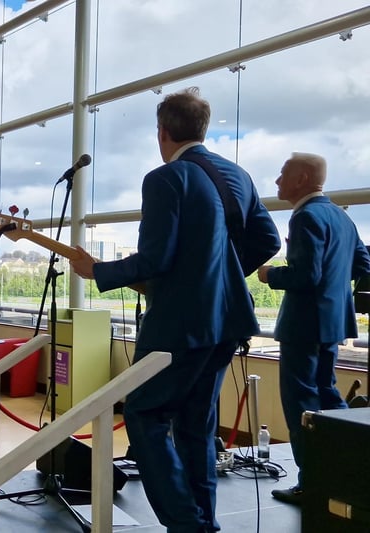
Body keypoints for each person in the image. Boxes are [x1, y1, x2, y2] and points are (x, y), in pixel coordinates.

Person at [68, 87, 280, 533]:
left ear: (162, 131)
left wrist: (97, 270)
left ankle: (187, 525)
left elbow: (156, 259)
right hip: (228, 322)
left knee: (144, 415)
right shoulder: (237, 175)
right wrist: (216, 274)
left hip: (181, 326)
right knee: (197, 426)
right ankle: (204, 522)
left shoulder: (166, 178)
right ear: (201, 128)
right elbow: (268, 240)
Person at [256, 152, 370, 505]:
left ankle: (312, 483)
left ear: (302, 179)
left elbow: (307, 275)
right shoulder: (340, 216)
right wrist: (333, 292)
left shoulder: (305, 217)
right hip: (333, 323)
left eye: (282, 174)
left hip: (303, 326)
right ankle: (344, 474)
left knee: (301, 405)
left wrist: (269, 274)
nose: (276, 182)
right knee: (330, 398)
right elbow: (363, 264)